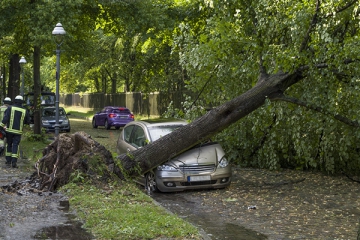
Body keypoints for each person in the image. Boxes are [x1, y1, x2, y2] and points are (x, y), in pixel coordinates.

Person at [0, 95, 30, 168]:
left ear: (15, 101)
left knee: (9, 145)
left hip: (9, 130)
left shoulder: (10, 108)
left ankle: (8, 161)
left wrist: (1, 125)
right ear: (21, 102)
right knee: (16, 145)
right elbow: (27, 121)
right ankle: (14, 162)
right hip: (18, 131)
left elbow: (6, 118)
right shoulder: (25, 110)